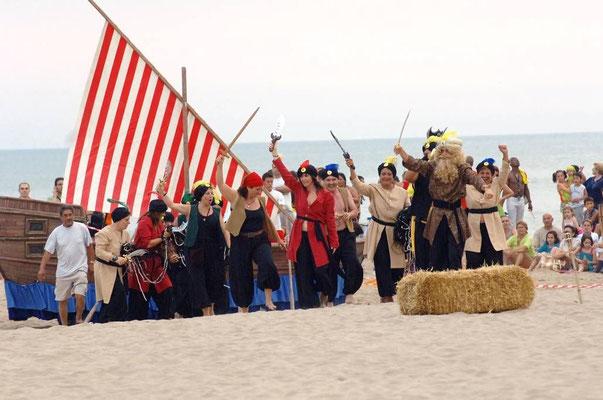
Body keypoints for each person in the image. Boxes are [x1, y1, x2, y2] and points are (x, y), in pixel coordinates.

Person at [395, 132, 492, 270]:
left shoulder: (462, 168)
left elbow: (473, 177)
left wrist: (485, 188)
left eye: (448, 151)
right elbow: (415, 164)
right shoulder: (432, 166)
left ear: (455, 154)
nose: (444, 154)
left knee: (454, 254)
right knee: (435, 254)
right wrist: (401, 152)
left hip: (456, 215)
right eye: (442, 151)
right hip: (436, 215)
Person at [270, 144, 338, 308]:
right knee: (302, 271)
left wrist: (334, 240)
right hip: (300, 236)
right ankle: (309, 305)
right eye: (302, 176)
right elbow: (286, 175)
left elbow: (330, 220)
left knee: (322, 270)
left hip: (318, 236)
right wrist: (275, 156)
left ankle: (325, 295)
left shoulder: (326, 196)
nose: (304, 179)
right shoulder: (298, 189)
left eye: (307, 175)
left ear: (314, 176)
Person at [216, 154, 283, 312]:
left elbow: (267, 221)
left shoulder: (261, 200)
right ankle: (244, 307)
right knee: (241, 274)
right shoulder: (236, 198)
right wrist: (219, 165)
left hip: (260, 238)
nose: (261, 191)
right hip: (240, 241)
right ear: (249, 187)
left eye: (261, 188)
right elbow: (221, 185)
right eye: (258, 188)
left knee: (267, 263)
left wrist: (278, 238)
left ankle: (268, 300)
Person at [158, 181, 229, 316]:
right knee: (198, 281)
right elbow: (172, 205)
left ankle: (212, 310)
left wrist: (229, 247)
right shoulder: (191, 209)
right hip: (195, 252)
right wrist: (163, 193)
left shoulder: (217, 211)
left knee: (214, 280)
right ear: (201, 196)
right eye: (207, 194)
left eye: (211, 194)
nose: (210, 196)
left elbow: (224, 231)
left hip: (213, 252)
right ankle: (205, 310)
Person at [344, 154, 409, 303]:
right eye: (383, 174)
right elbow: (357, 184)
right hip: (378, 231)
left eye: (389, 174)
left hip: (396, 231)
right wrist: (352, 168)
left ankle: (397, 291)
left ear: (393, 176)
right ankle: (385, 296)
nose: (386, 176)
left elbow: (407, 209)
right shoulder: (373, 189)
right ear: (379, 176)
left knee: (398, 264)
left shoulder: (403, 192)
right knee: (381, 263)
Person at [37, 205, 94, 325]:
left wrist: (91, 263)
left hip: (80, 268)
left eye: (70, 215)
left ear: (73, 215)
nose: (68, 217)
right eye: (65, 215)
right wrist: (42, 269)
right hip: (63, 271)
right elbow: (48, 252)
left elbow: (89, 246)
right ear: (61, 217)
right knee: (62, 299)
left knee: (80, 295)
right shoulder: (56, 232)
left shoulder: (82, 228)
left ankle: (78, 318)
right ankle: (64, 324)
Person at [320, 163, 363, 304]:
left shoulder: (344, 191)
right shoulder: (321, 195)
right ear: (323, 181)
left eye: (334, 179)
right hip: (329, 235)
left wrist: (348, 214)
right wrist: (331, 216)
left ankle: (349, 293)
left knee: (351, 263)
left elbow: (354, 210)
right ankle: (330, 298)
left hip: (346, 232)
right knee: (331, 267)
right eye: (328, 180)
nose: (331, 182)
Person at [464, 145, 510, 268]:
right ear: (476, 174)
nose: (485, 175)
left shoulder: (496, 184)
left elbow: (505, 172)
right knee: (473, 264)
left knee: (494, 264)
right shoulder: (468, 187)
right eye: (482, 173)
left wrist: (505, 154)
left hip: (493, 228)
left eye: (487, 173)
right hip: (474, 229)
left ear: (492, 174)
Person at [128, 199, 173, 320]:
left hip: (156, 265)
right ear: (155, 212)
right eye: (161, 212)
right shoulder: (144, 222)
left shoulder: (159, 221)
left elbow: (163, 240)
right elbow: (147, 244)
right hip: (143, 265)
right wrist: (163, 237)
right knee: (140, 298)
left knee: (167, 291)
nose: (163, 215)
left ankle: (166, 317)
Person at [404, 136, 437, 269]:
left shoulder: (444, 168)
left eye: (431, 150)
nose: (427, 152)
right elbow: (409, 177)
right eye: (425, 150)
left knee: (437, 255)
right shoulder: (420, 168)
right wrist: (422, 160)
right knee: (422, 255)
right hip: (422, 215)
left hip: (439, 216)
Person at [93, 207, 131, 323]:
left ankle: (117, 322)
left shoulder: (126, 234)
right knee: (112, 296)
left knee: (119, 298)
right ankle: (104, 322)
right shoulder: (104, 233)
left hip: (120, 270)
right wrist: (114, 258)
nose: (129, 222)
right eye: (126, 220)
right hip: (105, 270)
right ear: (118, 220)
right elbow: (99, 252)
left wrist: (128, 258)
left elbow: (127, 249)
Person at [506, 157, 532, 227]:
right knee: (512, 221)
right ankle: (512, 237)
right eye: (513, 160)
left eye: (517, 160)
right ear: (510, 163)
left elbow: (526, 188)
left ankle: (519, 236)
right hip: (511, 199)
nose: (516, 161)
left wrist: (530, 202)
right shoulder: (508, 174)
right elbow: (505, 188)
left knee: (520, 221)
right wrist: (501, 202)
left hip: (521, 199)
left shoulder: (523, 174)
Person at [262, 170, 287, 236]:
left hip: (276, 227)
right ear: (263, 182)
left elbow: (281, 208)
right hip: (262, 228)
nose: (270, 183)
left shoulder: (278, 194)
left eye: (271, 182)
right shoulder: (259, 194)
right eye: (268, 182)